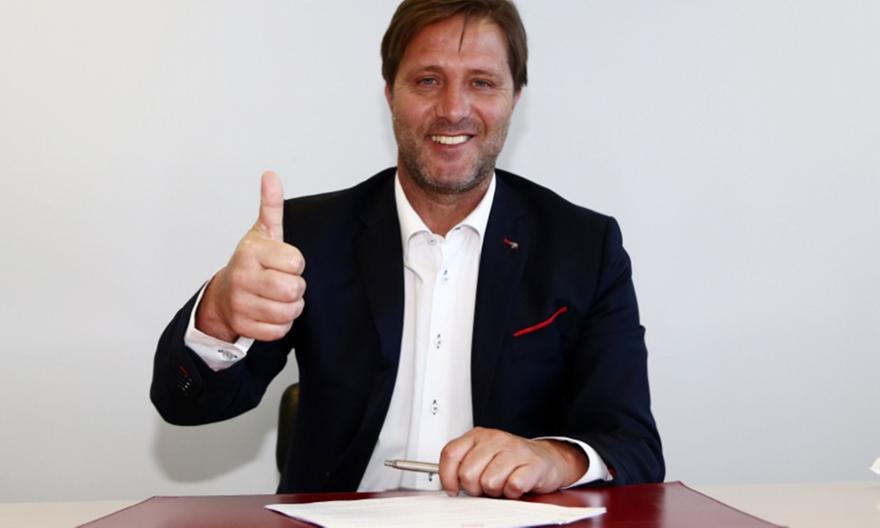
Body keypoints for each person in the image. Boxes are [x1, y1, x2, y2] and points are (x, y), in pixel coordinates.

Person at [151, 0, 664, 498]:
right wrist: (218, 313)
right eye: (428, 81)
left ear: (515, 97)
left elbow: (633, 447)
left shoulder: (584, 248)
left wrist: (554, 457)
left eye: (481, 83)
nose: (454, 109)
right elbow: (187, 406)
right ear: (390, 93)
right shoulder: (308, 236)